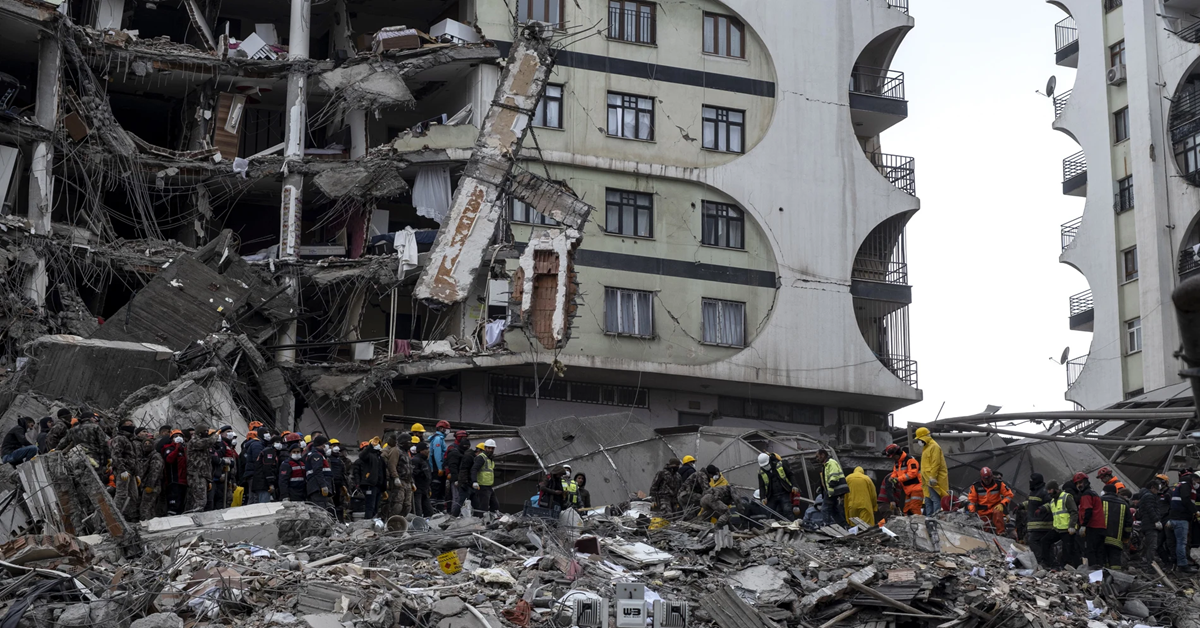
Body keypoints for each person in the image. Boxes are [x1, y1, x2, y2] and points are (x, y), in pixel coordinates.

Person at [967, 467, 1013, 534]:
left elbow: (1009, 495)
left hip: (995, 508)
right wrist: (972, 512)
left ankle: (1001, 532)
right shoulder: (976, 486)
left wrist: (1002, 504)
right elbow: (972, 501)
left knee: (998, 512)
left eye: (988, 478)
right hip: (982, 512)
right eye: (985, 479)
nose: (986, 481)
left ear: (991, 477)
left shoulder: (999, 484)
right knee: (984, 529)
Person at [1168, 471, 1199, 573]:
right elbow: (1186, 500)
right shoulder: (1186, 486)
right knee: (1181, 543)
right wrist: (1195, 511)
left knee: (1175, 543)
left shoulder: (1181, 485)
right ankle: (1183, 565)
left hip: (1174, 517)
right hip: (1181, 518)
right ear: (1194, 479)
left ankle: (1175, 563)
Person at [1075, 472, 1106, 568]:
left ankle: (1094, 573)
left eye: (1080, 482)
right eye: (1077, 483)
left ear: (1086, 482)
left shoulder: (1086, 495)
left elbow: (1088, 510)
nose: (1079, 485)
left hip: (1092, 527)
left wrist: (1083, 525)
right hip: (1100, 527)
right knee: (1099, 552)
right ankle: (1100, 574)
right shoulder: (1094, 493)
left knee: (1090, 551)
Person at [913, 427, 947, 515]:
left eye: (919, 439)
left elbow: (936, 463)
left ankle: (935, 517)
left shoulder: (934, 447)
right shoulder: (927, 447)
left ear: (924, 438)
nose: (919, 442)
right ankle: (929, 517)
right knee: (928, 499)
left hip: (932, 479)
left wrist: (933, 477)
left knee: (935, 499)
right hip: (927, 479)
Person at [110, 420, 140, 519]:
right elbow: (116, 455)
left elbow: (134, 458)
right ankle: (113, 518)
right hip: (123, 471)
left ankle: (130, 517)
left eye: (132, 424)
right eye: (129, 425)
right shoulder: (119, 439)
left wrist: (136, 473)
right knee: (121, 495)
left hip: (131, 471)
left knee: (133, 496)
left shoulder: (131, 440)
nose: (132, 426)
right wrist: (122, 470)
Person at [1024, 473, 1055, 566]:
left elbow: (1051, 503)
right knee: (1045, 544)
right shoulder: (1034, 492)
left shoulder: (1044, 491)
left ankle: (1041, 561)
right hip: (1036, 525)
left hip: (1042, 524)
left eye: (1031, 481)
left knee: (1033, 541)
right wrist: (1022, 505)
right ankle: (1048, 563)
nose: (1030, 483)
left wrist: (1043, 508)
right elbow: (1032, 503)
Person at [1100, 482, 1132, 570]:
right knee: (1115, 563)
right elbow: (1128, 524)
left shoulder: (1100, 500)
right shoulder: (1124, 504)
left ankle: (1103, 580)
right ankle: (1115, 580)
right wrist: (1126, 537)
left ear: (1105, 492)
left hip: (1101, 538)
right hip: (1117, 540)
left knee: (1103, 560)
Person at [884, 444, 923, 516]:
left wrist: (898, 479)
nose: (893, 458)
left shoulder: (910, 460)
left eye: (893, 456)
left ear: (898, 453)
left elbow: (912, 474)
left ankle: (919, 523)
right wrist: (892, 477)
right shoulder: (897, 462)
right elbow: (895, 472)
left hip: (916, 488)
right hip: (908, 490)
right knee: (906, 510)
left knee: (914, 508)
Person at [353, 439, 387, 519]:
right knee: (370, 506)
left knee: (375, 507)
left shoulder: (379, 458)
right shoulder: (367, 457)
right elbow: (357, 472)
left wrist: (383, 487)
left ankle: (373, 522)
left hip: (378, 485)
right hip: (370, 485)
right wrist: (358, 484)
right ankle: (367, 523)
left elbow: (382, 473)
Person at [185, 427, 216, 512]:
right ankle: (194, 518)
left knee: (200, 499)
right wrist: (215, 436)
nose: (206, 433)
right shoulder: (194, 441)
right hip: (196, 474)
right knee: (200, 501)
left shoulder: (203, 441)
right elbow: (206, 443)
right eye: (205, 431)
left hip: (203, 474)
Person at [1050, 478, 1080, 568]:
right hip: (1061, 528)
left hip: (1067, 528)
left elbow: (1074, 512)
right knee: (1070, 548)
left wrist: (1071, 526)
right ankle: (1068, 565)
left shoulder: (1066, 497)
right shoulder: (1054, 500)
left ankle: (1067, 566)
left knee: (1069, 549)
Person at [813, 450, 847, 526]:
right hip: (832, 490)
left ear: (823, 455)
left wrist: (831, 486)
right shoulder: (826, 465)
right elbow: (826, 478)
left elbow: (834, 475)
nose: (817, 459)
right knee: (834, 511)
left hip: (832, 491)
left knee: (825, 509)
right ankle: (844, 525)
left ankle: (826, 526)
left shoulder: (831, 462)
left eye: (817, 456)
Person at [1135, 480, 1163, 570]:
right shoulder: (1149, 496)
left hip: (1146, 524)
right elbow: (1150, 509)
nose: (1157, 492)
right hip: (1150, 524)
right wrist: (1156, 520)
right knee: (1152, 545)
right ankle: (1150, 566)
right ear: (1152, 488)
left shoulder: (1144, 496)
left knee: (1148, 545)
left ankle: (1147, 564)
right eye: (1156, 489)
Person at [383, 433, 412, 518]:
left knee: (407, 505)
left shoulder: (406, 452)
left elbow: (409, 468)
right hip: (400, 481)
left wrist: (412, 481)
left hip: (408, 481)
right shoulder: (396, 450)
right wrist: (395, 477)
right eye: (408, 441)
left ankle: (400, 520)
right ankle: (392, 520)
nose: (410, 444)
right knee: (398, 503)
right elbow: (392, 465)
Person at [210, 426, 238, 510]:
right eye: (228, 431)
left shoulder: (230, 446)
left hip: (229, 476)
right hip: (221, 476)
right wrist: (222, 474)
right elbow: (219, 460)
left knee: (226, 499)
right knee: (220, 499)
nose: (230, 434)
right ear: (221, 434)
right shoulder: (222, 445)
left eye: (231, 431)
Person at [137, 435, 165, 522]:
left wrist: (150, 485)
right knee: (150, 508)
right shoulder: (144, 457)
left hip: (152, 486)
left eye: (149, 443)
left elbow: (155, 472)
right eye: (145, 443)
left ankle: (146, 524)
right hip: (144, 485)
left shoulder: (156, 456)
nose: (147, 445)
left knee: (145, 508)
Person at [251, 433, 283, 504]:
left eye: (281, 442)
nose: (279, 444)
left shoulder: (272, 452)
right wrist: (270, 484)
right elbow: (267, 468)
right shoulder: (269, 452)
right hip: (263, 484)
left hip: (261, 483)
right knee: (263, 505)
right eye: (277, 442)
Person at [305, 436, 334, 515]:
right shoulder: (316, 455)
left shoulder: (317, 454)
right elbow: (317, 471)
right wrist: (323, 485)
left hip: (317, 487)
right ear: (322, 445)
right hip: (317, 488)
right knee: (320, 511)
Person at [471, 439, 501, 513]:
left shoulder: (490, 459)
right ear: (485, 448)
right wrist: (474, 481)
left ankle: (491, 520)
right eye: (489, 448)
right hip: (482, 486)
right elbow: (474, 469)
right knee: (483, 507)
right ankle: (480, 522)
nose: (490, 450)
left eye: (492, 448)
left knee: (495, 506)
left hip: (489, 486)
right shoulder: (481, 457)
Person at [444, 430, 471, 511]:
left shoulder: (462, 449)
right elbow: (451, 464)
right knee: (455, 497)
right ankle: (452, 513)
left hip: (462, 477)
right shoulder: (453, 449)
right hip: (454, 476)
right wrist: (452, 476)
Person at [163, 430, 187, 515]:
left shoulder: (185, 450)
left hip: (184, 480)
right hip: (174, 480)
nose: (178, 438)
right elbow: (169, 460)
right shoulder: (168, 448)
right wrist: (177, 448)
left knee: (182, 503)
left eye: (180, 436)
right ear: (172, 438)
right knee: (174, 503)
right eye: (175, 436)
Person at [452, 443, 479, 516]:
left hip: (469, 483)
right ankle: (453, 517)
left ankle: (478, 518)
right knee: (460, 502)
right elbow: (464, 470)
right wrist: (464, 483)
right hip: (466, 484)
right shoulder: (469, 457)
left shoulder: (471, 457)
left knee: (475, 503)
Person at [429, 420, 450, 505]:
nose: (447, 431)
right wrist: (440, 468)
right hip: (437, 468)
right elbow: (437, 455)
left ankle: (440, 508)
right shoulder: (438, 439)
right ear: (441, 428)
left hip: (439, 467)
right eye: (446, 429)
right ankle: (434, 509)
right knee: (436, 488)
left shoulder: (440, 439)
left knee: (441, 489)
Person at [412, 441, 433, 517]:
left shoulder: (425, 461)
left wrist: (428, 488)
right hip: (418, 489)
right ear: (421, 451)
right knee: (418, 510)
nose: (428, 451)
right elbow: (413, 474)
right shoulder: (416, 460)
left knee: (429, 511)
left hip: (425, 489)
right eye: (426, 449)